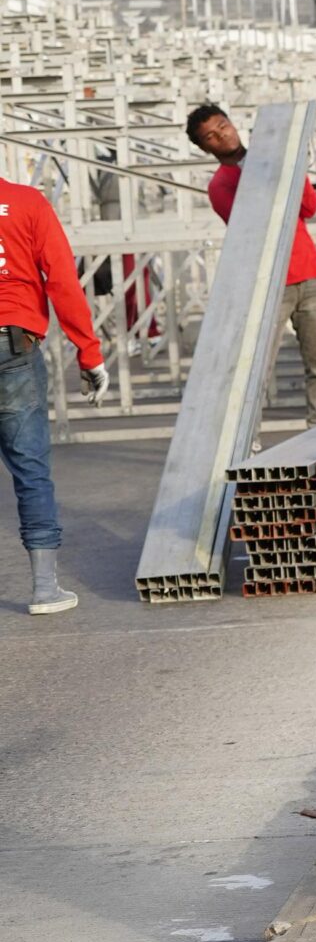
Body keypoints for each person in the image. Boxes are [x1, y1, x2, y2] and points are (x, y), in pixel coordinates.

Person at [187, 104, 316, 425]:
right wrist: (270, 173)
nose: (221, 135)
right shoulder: (221, 185)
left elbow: (308, 207)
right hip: (270, 282)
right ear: (204, 147)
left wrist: (289, 169)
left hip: (309, 273)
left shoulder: (274, 163)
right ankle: (246, 440)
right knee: (257, 369)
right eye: (210, 136)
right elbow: (253, 226)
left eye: (222, 126)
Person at [0, 174, 106, 614]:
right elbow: (62, 278)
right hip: (13, 342)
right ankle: (44, 589)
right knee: (30, 468)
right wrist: (89, 352)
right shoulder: (26, 202)